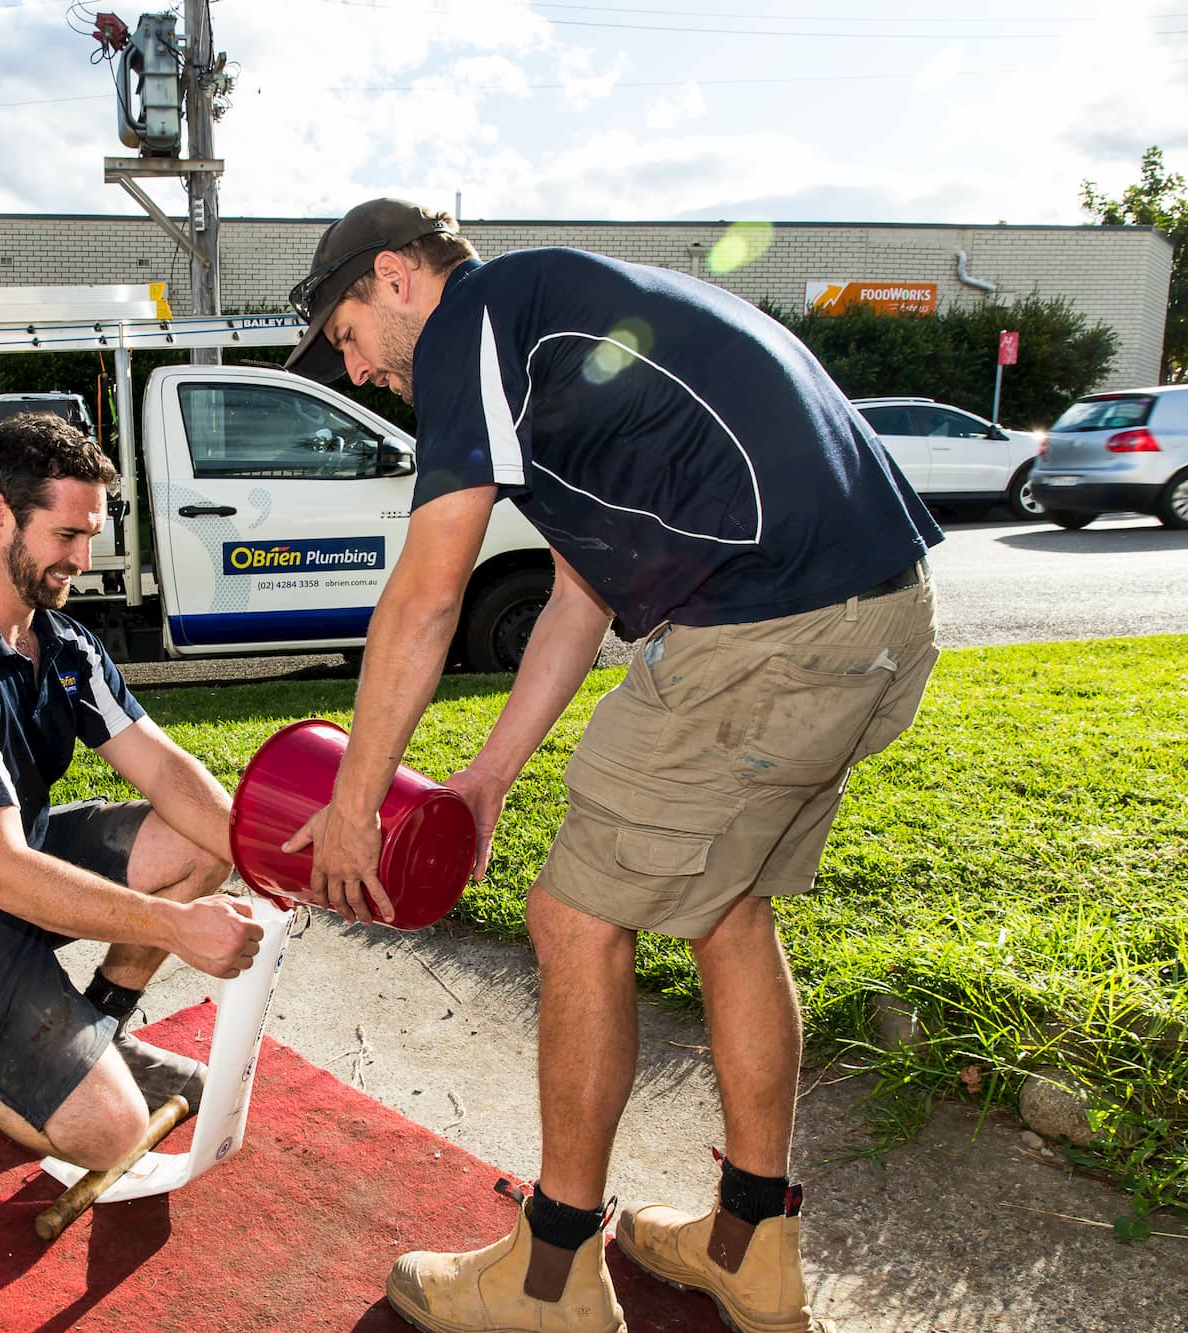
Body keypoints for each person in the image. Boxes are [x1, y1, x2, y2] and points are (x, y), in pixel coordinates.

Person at [280, 201, 941, 1333]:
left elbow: (428, 591)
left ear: (393, 278)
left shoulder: (473, 325)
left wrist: (354, 800)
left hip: (763, 637)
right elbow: (577, 601)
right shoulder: (562, 329)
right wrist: (485, 777)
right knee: (730, 913)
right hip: (876, 623)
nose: (357, 372)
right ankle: (750, 1241)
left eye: (343, 338)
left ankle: (547, 1279)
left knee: (573, 919)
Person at [0, 411, 264, 1173]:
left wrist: (257, 853)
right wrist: (174, 927)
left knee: (201, 838)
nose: (85, 557)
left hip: (18, 866)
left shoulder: (59, 642)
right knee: (110, 1134)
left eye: (91, 534)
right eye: (68, 535)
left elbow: (165, 768)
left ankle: (97, 1026)